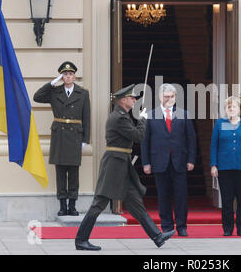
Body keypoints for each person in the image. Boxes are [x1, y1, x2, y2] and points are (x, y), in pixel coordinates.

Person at [75, 84, 175, 251]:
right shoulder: (119, 117)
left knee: (135, 202)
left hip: (121, 164)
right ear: (123, 101)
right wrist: (143, 118)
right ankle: (81, 239)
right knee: (99, 203)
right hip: (115, 164)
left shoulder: (122, 115)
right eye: (132, 98)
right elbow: (138, 136)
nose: (135, 100)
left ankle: (157, 236)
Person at [33, 61, 90, 216]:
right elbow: (37, 97)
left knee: (73, 173)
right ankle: (62, 205)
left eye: (70, 74)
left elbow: (86, 117)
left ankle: (72, 205)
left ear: (75, 76)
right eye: (65, 74)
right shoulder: (54, 92)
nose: (68, 77)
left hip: (75, 136)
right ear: (61, 76)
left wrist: (86, 140)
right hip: (59, 136)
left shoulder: (83, 93)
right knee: (60, 172)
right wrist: (52, 83)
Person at [141, 84, 196, 237]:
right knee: (163, 196)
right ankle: (166, 226)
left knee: (181, 196)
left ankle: (182, 226)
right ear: (160, 97)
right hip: (159, 161)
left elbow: (191, 139)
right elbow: (145, 141)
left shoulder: (184, 114)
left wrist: (191, 159)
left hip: (180, 162)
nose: (169, 99)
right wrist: (146, 162)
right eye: (166, 96)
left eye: (172, 96)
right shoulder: (151, 115)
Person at [210, 96, 241, 236]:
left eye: (234, 107)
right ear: (225, 110)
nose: (231, 109)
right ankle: (227, 228)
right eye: (229, 107)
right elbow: (214, 145)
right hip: (224, 168)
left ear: (239, 109)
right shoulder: (220, 123)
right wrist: (214, 165)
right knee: (227, 199)